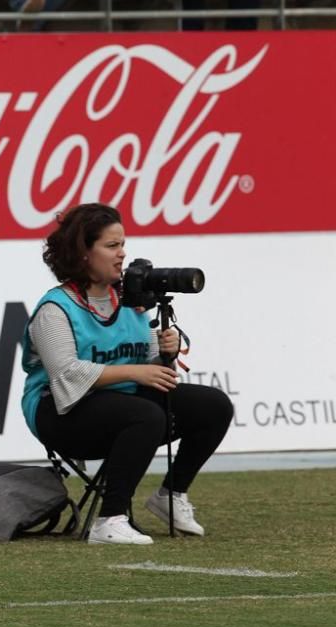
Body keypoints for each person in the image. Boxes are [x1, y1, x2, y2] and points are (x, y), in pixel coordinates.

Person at [20, 203, 233, 545]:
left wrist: (167, 351)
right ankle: (109, 520)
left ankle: (170, 496)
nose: (122, 254)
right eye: (112, 246)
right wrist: (138, 372)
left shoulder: (131, 302)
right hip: (58, 412)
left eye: (123, 245)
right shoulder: (55, 308)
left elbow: (155, 367)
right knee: (145, 415)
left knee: (214, 405)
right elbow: (66, 374)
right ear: (83, 253)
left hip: (120, 403)